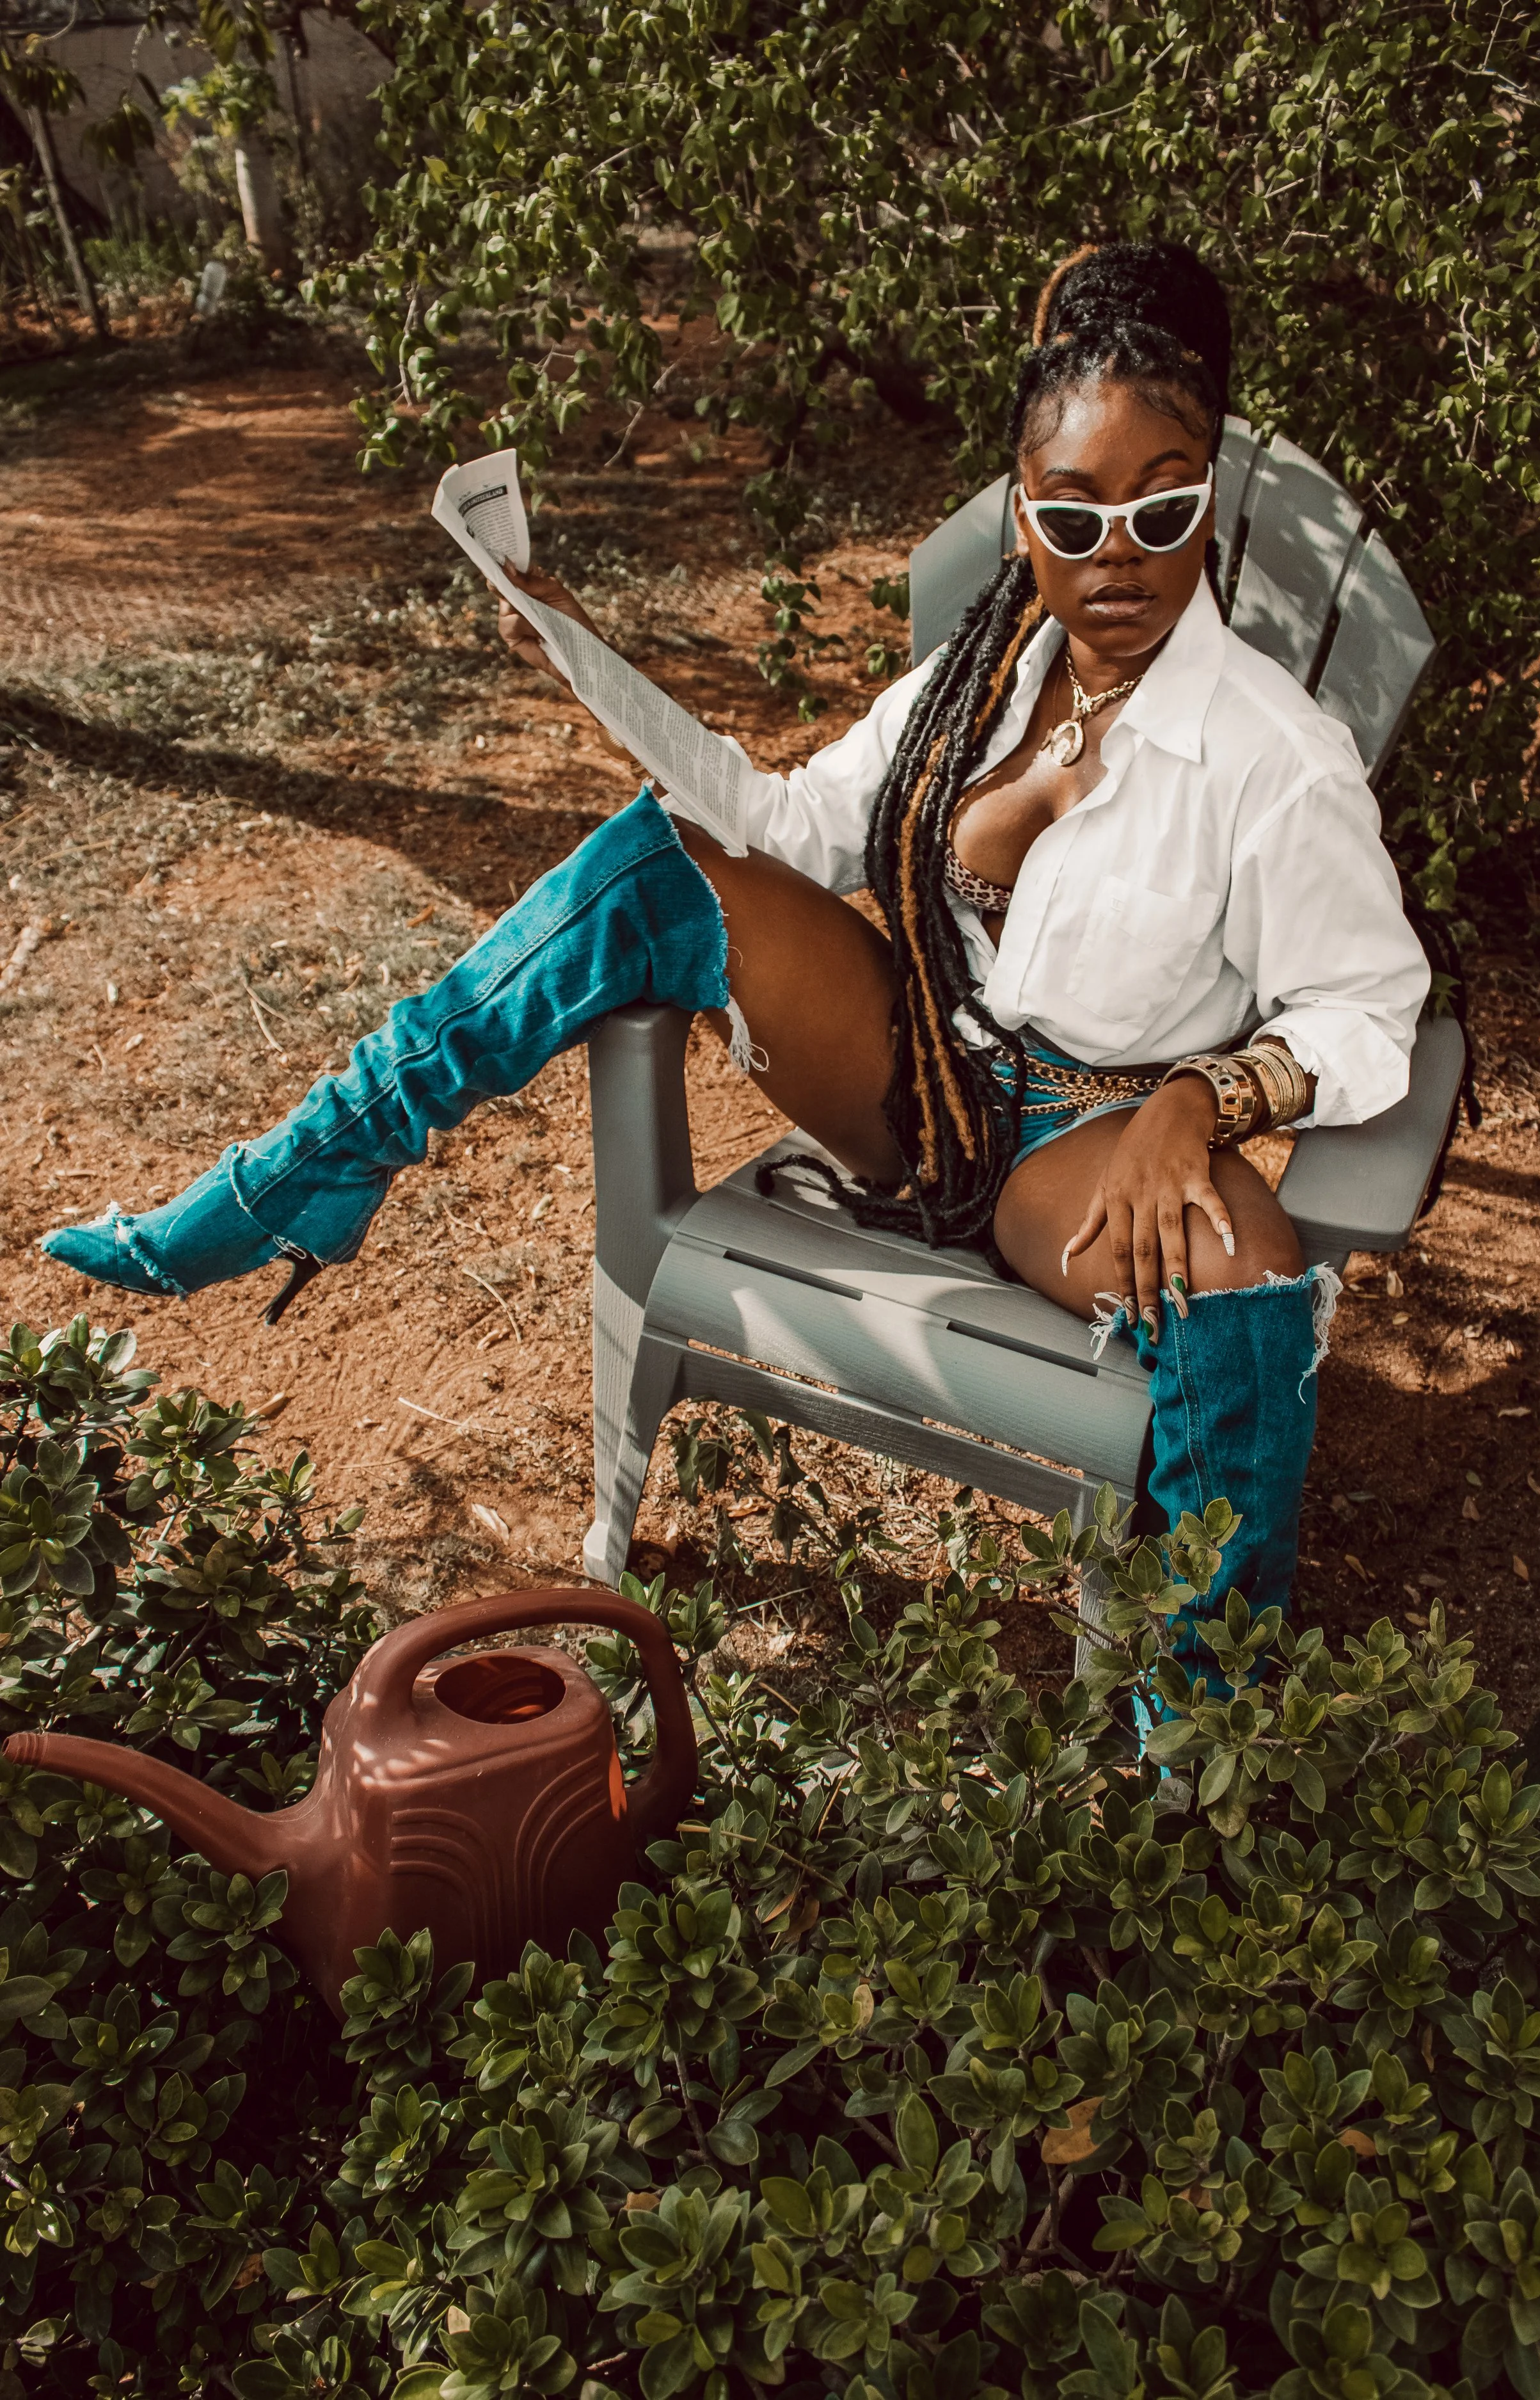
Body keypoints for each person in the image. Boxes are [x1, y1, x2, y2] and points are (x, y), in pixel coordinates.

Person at [43, 242, 1429, 1697]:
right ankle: (306, 1170)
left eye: (1161, 506)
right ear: (1022, 515)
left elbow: (1370, 1010)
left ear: (1204, 494)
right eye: (1073, 516)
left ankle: (1191, 1739)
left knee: (1243, 1274)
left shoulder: (1276, 755)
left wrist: (1197, 1106)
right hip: (911, 1081)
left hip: (1082, 1146)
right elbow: (778, 824)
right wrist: (588, 657)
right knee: (662, 858)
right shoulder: (981, 675)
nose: (1118, 556)